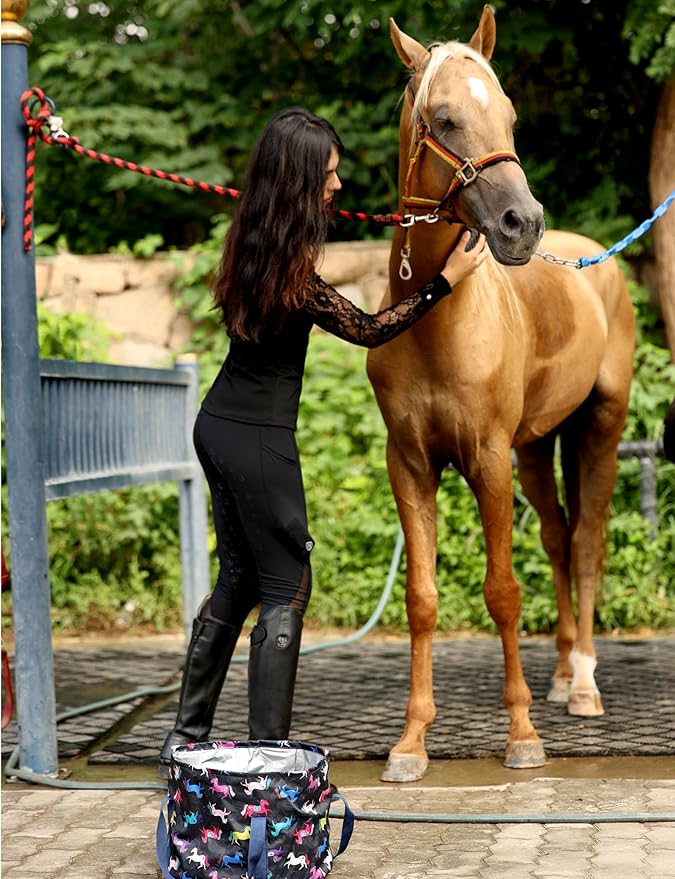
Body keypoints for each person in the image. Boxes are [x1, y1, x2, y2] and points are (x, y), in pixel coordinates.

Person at [158, 106, 488, 769]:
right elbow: (368, 329)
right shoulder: (293, 273)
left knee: (238, 582)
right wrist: (443, 284)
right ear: (298, 180)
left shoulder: (254, 241)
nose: (337, 185)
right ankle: (266, 760)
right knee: (287, 586)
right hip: (257, 440)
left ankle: (184, 742)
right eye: (327, 175)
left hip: (218, 426)